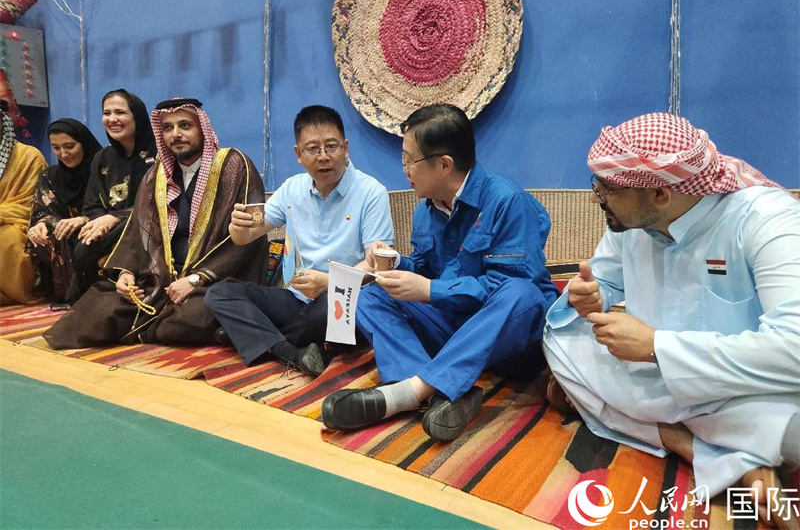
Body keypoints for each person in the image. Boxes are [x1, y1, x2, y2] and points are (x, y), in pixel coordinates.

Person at [542, 113, 800, 525]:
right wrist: (594, 295)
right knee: (559, 337)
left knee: (793, 431)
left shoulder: (766, 220)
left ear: (660, 193)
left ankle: (663, 428)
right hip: (659, 379)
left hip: (744, 388)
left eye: (607, 188)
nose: (596, 198)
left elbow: (793, 350)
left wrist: (658, 347)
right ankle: (697, 446)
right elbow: (605, 279)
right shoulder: (631, 221)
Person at [321, 104, 559, 441]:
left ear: (445, 164)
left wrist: (430, 290)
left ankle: (412, 391)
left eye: (409, 160)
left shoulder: (507, 201)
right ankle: (434, 391)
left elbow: (508, 285)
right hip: (454, 330)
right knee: (371, 294)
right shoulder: (425, 209)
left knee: (523, 294)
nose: (405, 170)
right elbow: (425, 270)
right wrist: (394, 264)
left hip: (508, 342)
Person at [43, 98, 269, 348]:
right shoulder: (156, 175)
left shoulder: (236, 165)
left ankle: (164, 326)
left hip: (216, 280)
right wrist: (127, 274)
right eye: (168, 128)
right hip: (160, 279)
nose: (176, 134)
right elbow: (138, 230)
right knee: (94, 312)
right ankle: (175, 326)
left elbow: (254, 232)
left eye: (185, 125)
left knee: (198, 313)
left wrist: (196, 279)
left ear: (202, 129)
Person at [204, 105, 393, 376]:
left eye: (332, 146)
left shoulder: (371, 192)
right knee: (220, 294)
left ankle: (257, 337)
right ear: (298, 155)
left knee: (330, 310)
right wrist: (237, 227)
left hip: (343, 299)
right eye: (313, 149)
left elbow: (376, 266)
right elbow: (246, 236)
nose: (324, 156)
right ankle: (293, 352)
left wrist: (327, 282)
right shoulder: (291, 189)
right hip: (297, 299)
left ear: (346, 148)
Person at [71, 89, 157, 298]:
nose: (112, 119)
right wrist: (99, 223)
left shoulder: (159, 152)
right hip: (110, 225)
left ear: (137, 116)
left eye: (120, 112)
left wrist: (115, 218)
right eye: (106, 113)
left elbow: (160, 202)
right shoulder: (102, 158)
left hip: (147, 224)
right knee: (83, 241)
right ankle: (93, 298)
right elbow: (91, 205)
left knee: (88, 249)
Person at [26, 119, 102, 302]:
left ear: (83, 143)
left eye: (69, 146)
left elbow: (113, 208)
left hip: (98, 228)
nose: (64, 154)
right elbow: (43, 210)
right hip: (63, 234)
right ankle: (64, 293)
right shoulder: (49, 176)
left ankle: (88, 294)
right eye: (56, 148)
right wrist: (41, 225)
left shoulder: (103, 170)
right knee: (44, 237)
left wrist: (84, 220)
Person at [0, 100, 47, 304]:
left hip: (18, 223)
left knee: (7, 239)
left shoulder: (29, 156)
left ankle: (12, 293)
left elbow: (33, 204)